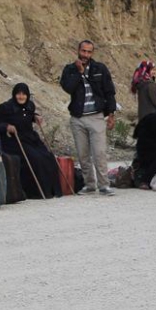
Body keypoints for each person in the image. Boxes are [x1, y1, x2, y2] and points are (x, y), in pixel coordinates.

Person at [60, 39, 117, 196]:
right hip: (78, 118)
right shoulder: (70, 69)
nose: (85, 54)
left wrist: (111, 114)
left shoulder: (100, 68)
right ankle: (89, 185)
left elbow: (109, 91)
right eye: (83, 51)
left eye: (89, 52)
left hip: (96, 116)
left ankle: (104, 185)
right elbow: (68, 87)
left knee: (99, 153)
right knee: (83, 154)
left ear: (92, 53)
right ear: (78, 51)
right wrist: (79, 72)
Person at [0, 83, 63, 200]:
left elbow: (27, 115)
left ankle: (51, 190)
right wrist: (6, 126)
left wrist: (35, 117)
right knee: (36, 159)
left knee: (48, 157)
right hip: (13, 141)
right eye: (18, 94)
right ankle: (36, 192)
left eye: (24, 94)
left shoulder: (30, 105)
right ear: (14, 94)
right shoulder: (6, 107)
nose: (21, 97)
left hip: (30, 138)